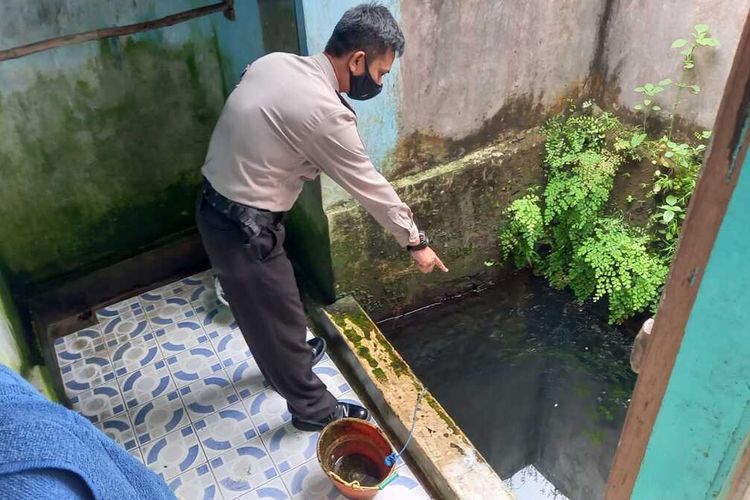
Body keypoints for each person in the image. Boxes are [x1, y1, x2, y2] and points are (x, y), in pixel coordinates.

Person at [196, 3, 448, 432]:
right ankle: (313, 410)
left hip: (223, 208)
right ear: (357, 60)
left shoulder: (276, 62)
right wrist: (416, 243)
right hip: (240, 227)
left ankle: (291, 352)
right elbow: (371, 187)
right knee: (270, 316)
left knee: (282, 304)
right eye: (382, 73)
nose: (380, 82)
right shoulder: (326, 114)